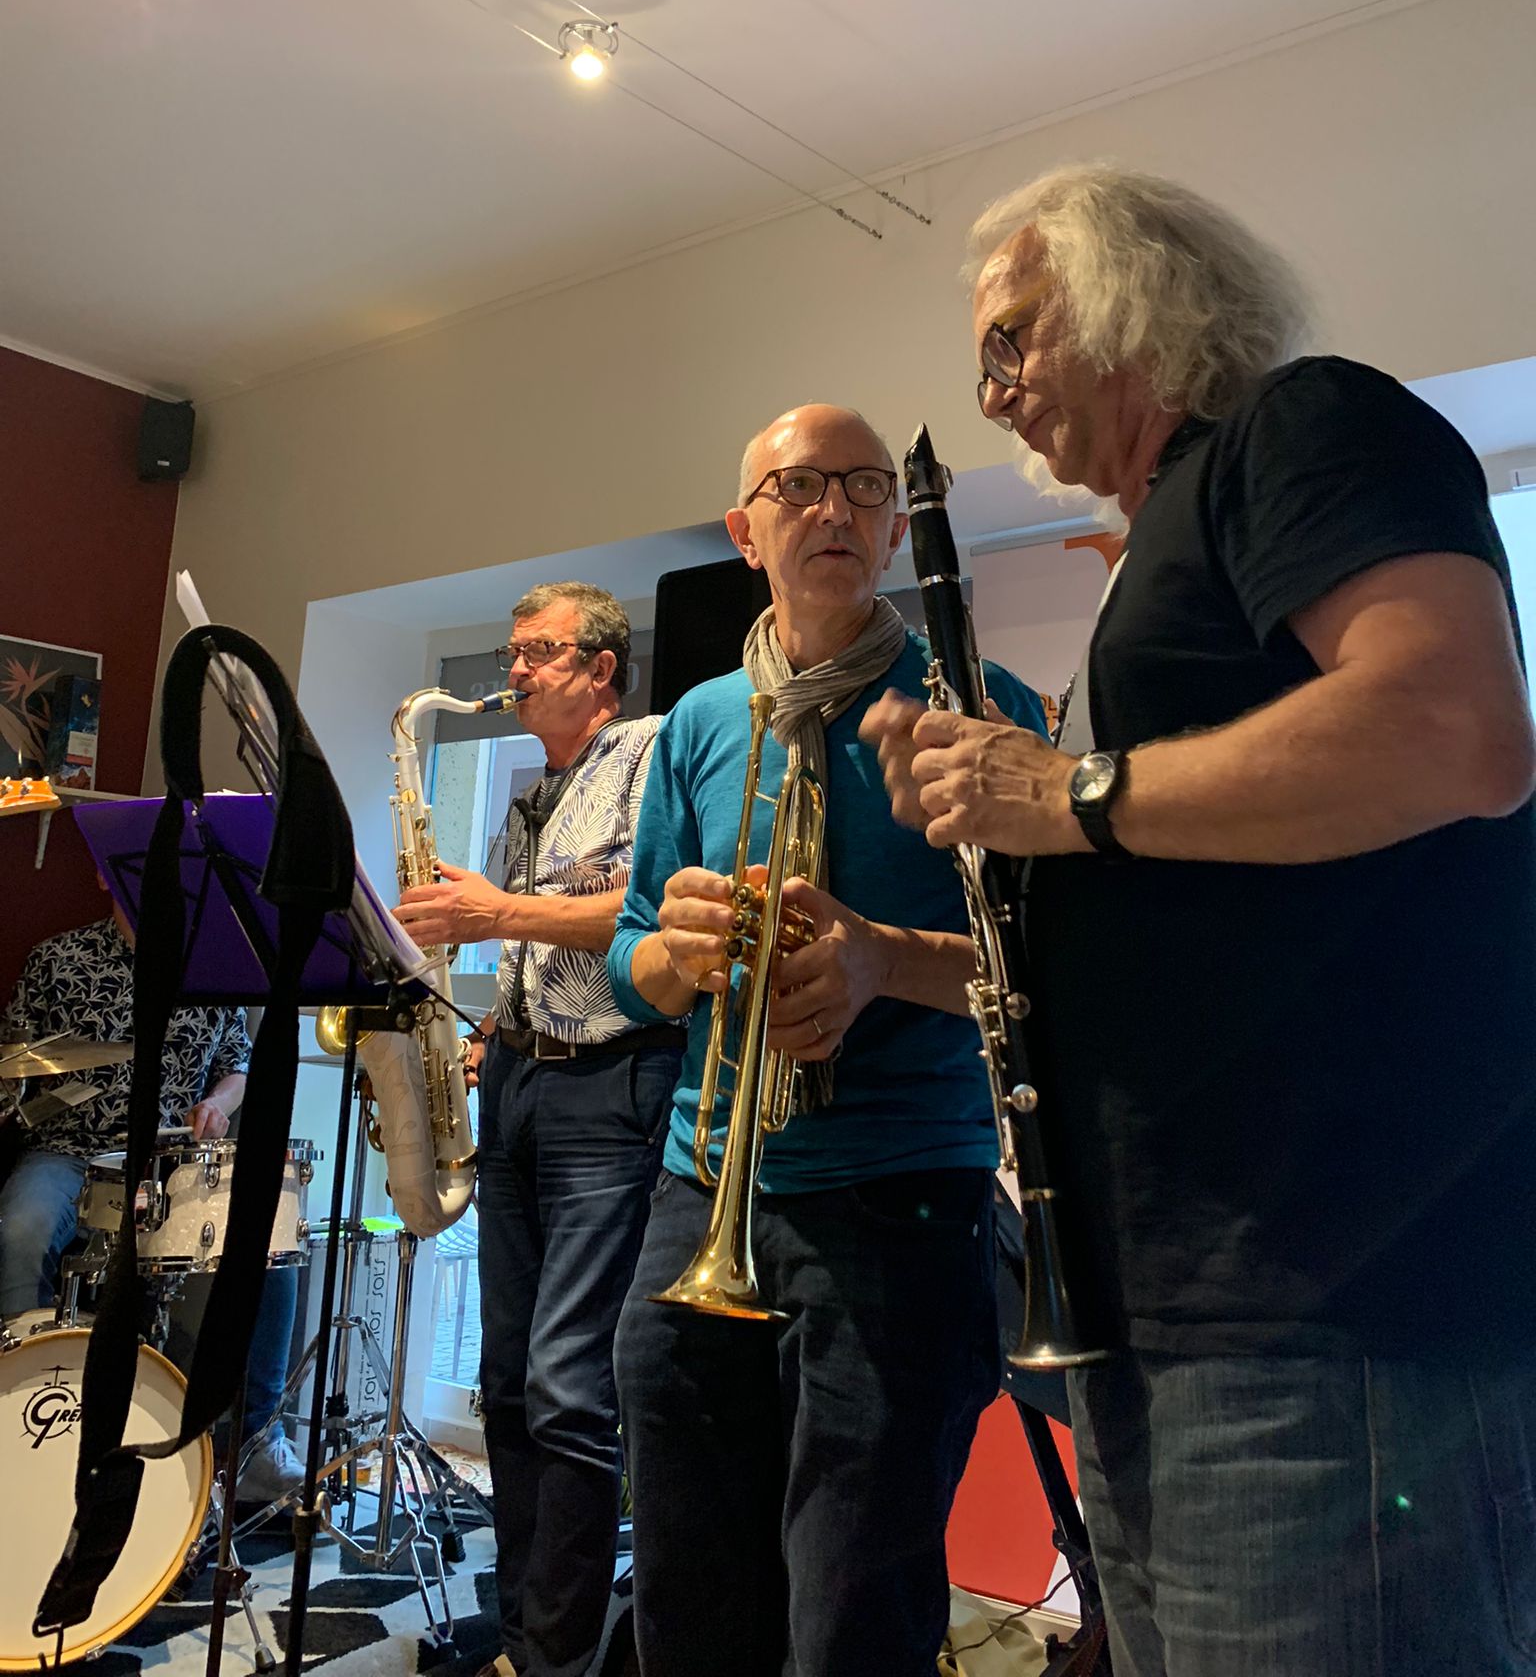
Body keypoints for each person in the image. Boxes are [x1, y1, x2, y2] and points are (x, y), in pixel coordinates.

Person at [861, 163, 1536, 1677]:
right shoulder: (1148, 562)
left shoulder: (1305, 426)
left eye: (1012, 339)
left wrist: (1065, 790)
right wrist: (881, 954)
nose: (993, 395)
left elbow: (1456, 730)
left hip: (1334, 1314)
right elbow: (1130, 948)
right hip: (1162, 1325)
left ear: (1132, 301)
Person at [605, 404, 1049, 1677]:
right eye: (798, 486)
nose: (835, 508)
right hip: (702, 1196)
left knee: (853, 1617)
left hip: (903, 1202)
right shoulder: (698, 722)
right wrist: (679, 953)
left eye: (863, 486)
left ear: (896, 527)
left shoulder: (980, 703)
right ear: (746, 532)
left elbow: (1049, 972)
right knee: (690, 1601)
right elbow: (633, 956)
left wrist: (879, 961)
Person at [395, 581, 675, 1677]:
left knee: (567, 1382)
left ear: (602, 668)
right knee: (506, 1377)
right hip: (518, 1077)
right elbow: (542, 942)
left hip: (611, 1086)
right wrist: (493, 1027)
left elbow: (652, 907)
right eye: (513, 651)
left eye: (539, 651)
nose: (514, 669)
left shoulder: (652, 748)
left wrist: (494, 911)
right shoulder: (537, 793)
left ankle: (557, 1654)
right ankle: (520, 1635)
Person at [0, 879, 304, 1501]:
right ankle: (20, 1408)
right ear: (104, 874)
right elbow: (13, 1062)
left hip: (171, 1162)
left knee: (271, 1233)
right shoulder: (57, 958)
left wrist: (217, 1105)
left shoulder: (208, 969)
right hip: (72, 1152)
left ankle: (255, 1440)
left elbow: (239, 1064)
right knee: (22, 1229)